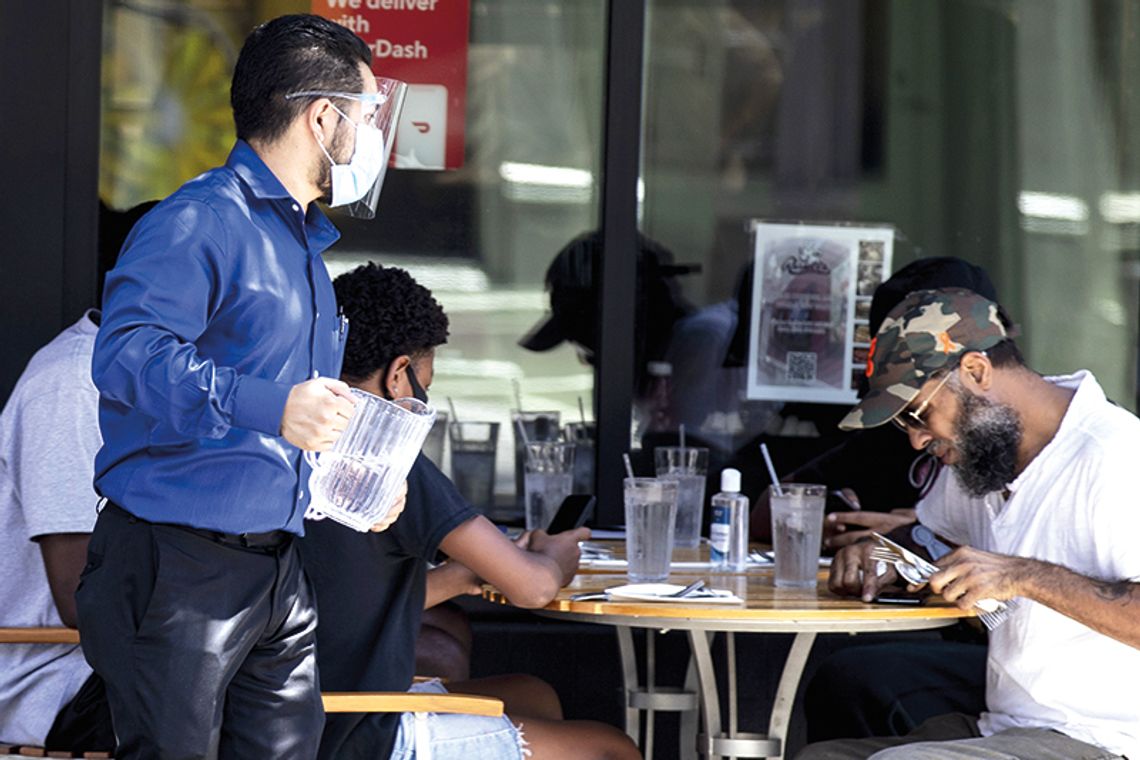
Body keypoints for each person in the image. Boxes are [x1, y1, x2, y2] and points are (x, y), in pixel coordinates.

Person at [78, 15, 405, 758]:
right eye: (366, 113)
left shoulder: (302, 244)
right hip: (177, 568)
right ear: (324, 116)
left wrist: (356, 478)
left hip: (278, 566)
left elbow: (299, 414)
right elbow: (125, 355)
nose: (371, 136)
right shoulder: (198, 221)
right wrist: (270, 405)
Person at [303, 262, 641, 760]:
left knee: (533, 694)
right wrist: (554, 556)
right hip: (359, 731)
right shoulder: (385, 459)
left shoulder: (298, 443)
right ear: (399, 375)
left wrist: (463, 576)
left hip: (303, 710)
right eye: (426, 382)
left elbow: (345, 601)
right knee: (610, 749)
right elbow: (533, 587)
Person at [796, 287, 1140, 760]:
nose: (916, 440)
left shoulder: (1117, 455)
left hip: (1106, 741)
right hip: (1006, 724)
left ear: (976, 371)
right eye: (902, 426)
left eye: (918, 414)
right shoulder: (984, 457)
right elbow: (930, 535)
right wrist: (884, 553)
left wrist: (1023, 575)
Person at [0, 201, 155, 753]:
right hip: (55, 681)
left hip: (118, 660)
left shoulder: (160, 382)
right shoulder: (70, 385)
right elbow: (80, 599)